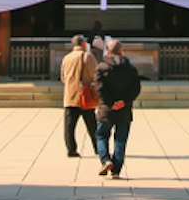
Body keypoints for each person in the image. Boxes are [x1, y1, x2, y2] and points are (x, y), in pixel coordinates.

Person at [94, 38, 142, 179]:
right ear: (121, 51)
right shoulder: (130, 69)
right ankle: (116, 169)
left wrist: (110, 102)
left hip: (106, 109)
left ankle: (105, 160)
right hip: (124, 110)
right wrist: (124, 101)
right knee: (120, 140)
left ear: (108, 51)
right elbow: (136, 88)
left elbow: (99, 88)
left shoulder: (101, 67)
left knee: (101, 135)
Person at [60, 34, 98, 157]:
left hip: (70, 96)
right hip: (85, 96)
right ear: (83, 44)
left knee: (69, 126)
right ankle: (98, 148)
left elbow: (63, 77)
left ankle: (71, 149)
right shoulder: (88, 56)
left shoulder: (66, 58)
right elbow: (95, 75)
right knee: (92, 125)